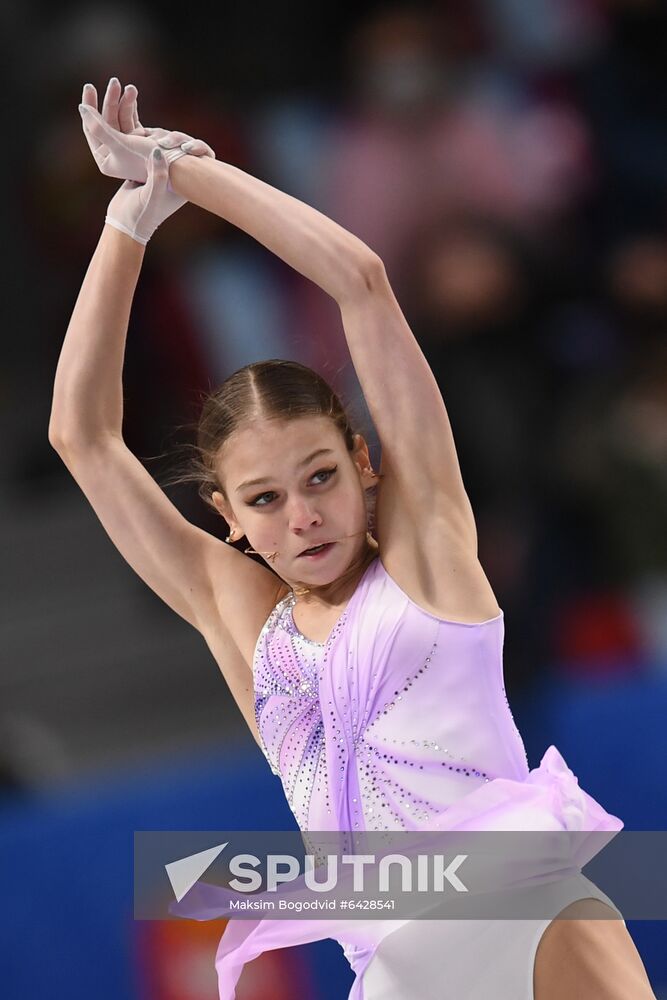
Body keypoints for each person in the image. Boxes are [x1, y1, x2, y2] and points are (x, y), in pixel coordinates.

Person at [49, 77, 657, 1000]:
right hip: (391, 967)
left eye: (321, 477)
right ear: (225, 513)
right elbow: (81, 436)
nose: (302, 516)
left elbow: (360, 281)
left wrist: (187, 172)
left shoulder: (426, 553)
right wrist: (129, 221)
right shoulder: (239, 614)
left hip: (530, 914)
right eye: (264, 498)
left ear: (365, 463)